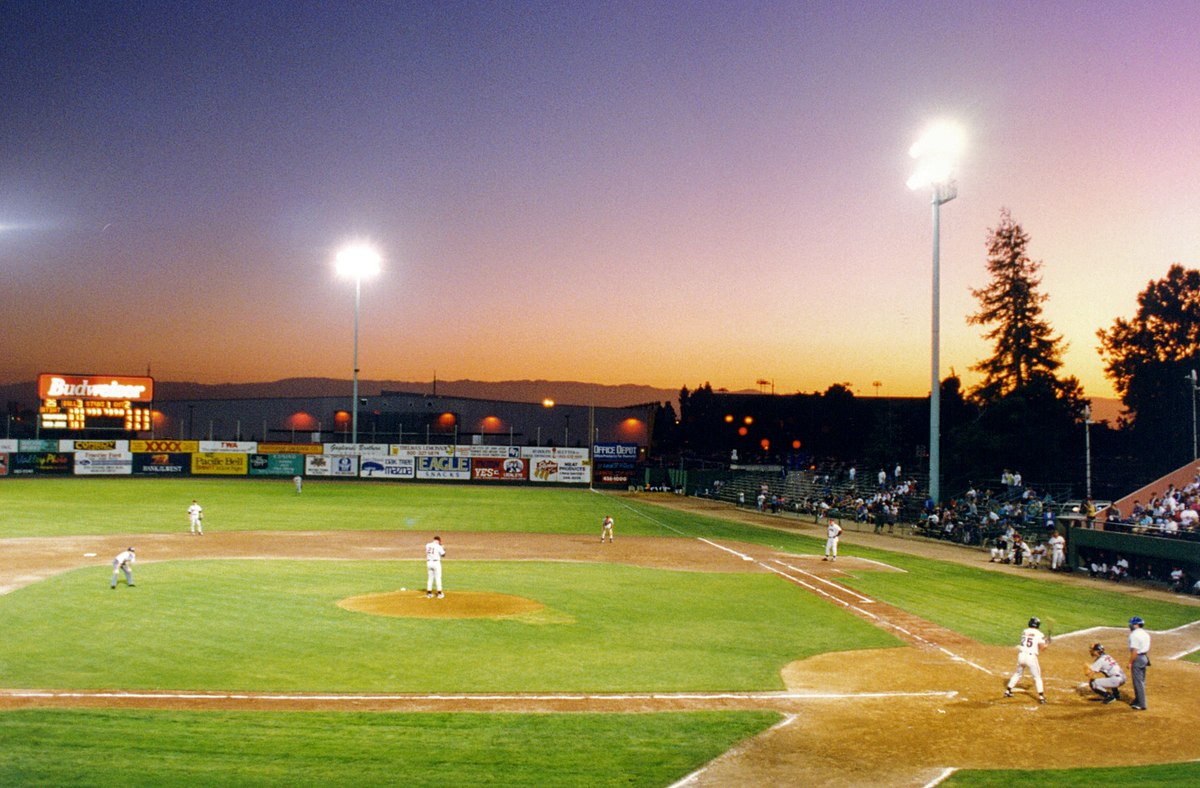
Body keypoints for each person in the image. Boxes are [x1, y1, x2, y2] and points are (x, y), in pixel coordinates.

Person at [1005, 616, 1049, 704]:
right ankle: (1041, 697)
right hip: (1031, 658)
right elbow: (1042, 648)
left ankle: (1008, 691)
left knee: (1017, 673)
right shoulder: (1039, 634)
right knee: (1037, 677)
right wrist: (1047, 642)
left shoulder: (1025, 631)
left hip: (1021, 655)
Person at [1128, 616, 1151, 710]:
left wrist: (1130, 662)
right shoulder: (1145, 634)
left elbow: (1134, 651)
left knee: (1138, 681)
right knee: (1141, 680)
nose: (1130, 626)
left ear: (1136, 625)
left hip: (1138, 658)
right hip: (1145, 658)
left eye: (1131, 624)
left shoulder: (1134, 635)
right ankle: (1138, 700)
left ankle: (1141, 704)